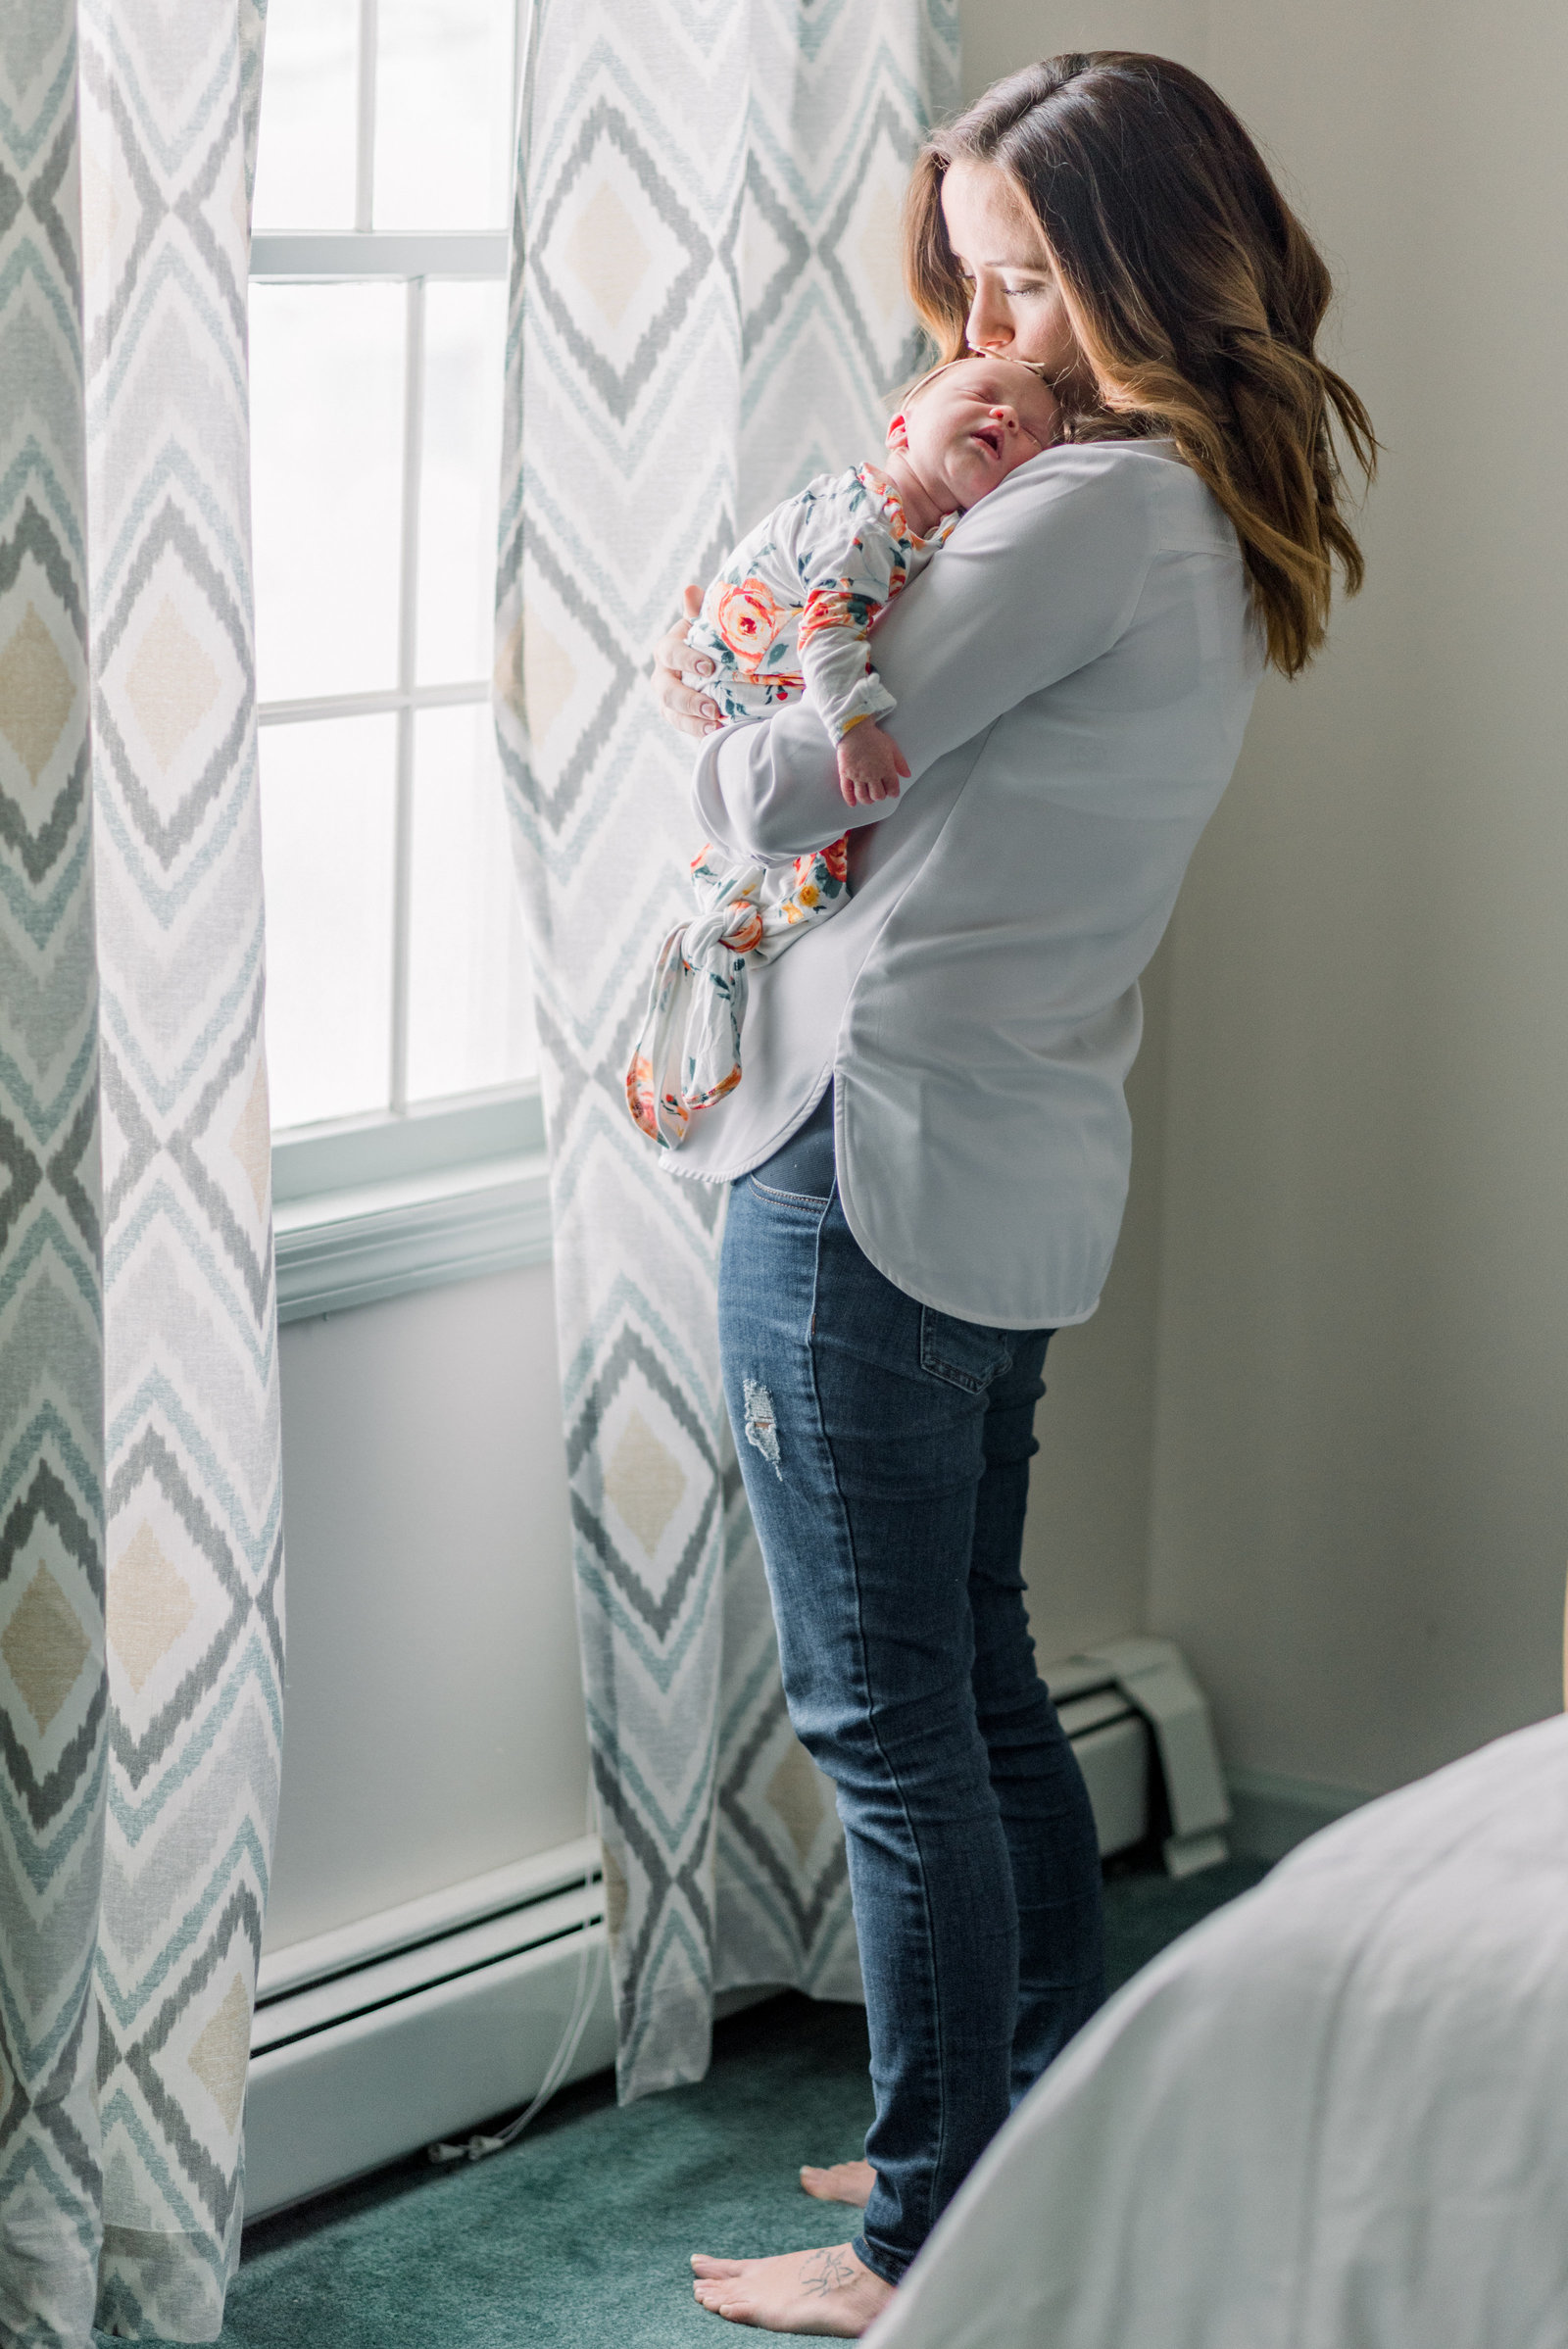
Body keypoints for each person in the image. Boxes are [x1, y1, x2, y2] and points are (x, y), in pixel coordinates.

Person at [651, 50, 1375, 2337]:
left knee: (888, 1716)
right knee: (965, 1674)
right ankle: (1029, 2120)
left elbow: (779, 774)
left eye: (1036, 282)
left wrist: (759, 658)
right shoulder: (1189, 496)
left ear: (1149, 265)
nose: (994, 341)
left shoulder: (1076, 514)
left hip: (865, 1150)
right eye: (968, 283)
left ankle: (925, 2231)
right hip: (1001, 1137)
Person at [626, 355, 1060, 1150]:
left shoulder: (934, 529)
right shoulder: (873, 516)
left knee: (779, 888)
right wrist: (856, 733)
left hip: (748, 689)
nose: (1006, 420)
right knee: (775, 882)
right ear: (902, 424)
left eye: (1035, 432)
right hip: (747, 684)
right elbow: (829, 632)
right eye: (982, 394)